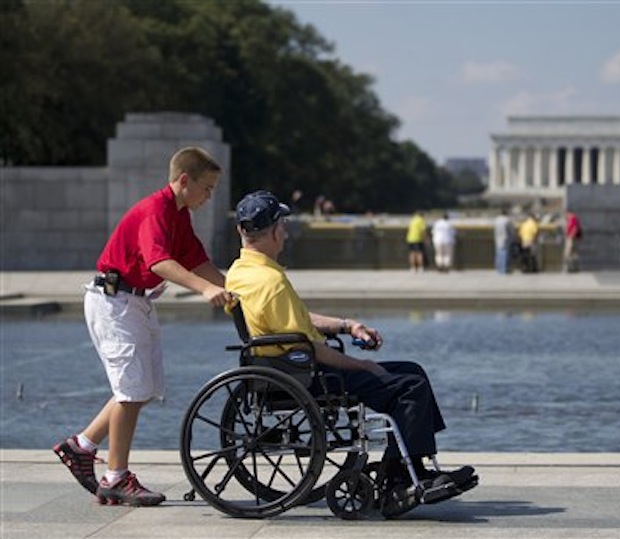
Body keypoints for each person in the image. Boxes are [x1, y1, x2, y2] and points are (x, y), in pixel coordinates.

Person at [225, 191, 478, 518]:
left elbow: (296, 321)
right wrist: (364, 365)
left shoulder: (241, 272)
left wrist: (347, 325)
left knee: (411, 370)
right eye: (282, 225)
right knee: (408, 386)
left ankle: (409, 466)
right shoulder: (272, 281)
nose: (285, 232)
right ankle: (403, 477)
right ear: (274, 231)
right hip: (306, 374)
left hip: (284, 365)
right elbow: (312, 345)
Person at [53, 147, 231, 507]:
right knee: (131, 390)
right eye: (207, 188)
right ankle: (116, 478)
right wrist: (206, 290)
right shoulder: (156, 210)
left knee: (141, 388)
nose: (210, 196)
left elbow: (197, 261)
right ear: (185, 181)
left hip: (135, 302)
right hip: (114, 303)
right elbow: (161, 262)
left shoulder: (179, 215)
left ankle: (81, 446)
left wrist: (231, 291)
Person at [493, 208, 515, 274]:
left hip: (497, 238)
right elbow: (511, 231)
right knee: (505, 255)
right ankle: (504, 269)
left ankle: (499, 269)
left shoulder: (496, 220)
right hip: (505, 239)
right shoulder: (507, 220)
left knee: (498, 254)